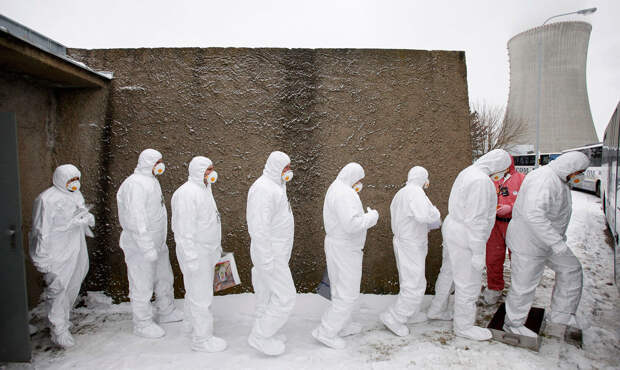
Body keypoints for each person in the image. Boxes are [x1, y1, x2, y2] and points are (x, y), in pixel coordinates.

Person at [426, 149, 511, 341]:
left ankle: (437, 309)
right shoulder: (481, 181)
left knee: (448, 272)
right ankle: (463, 327)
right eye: (504, 170)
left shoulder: (467, 172)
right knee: (468, 282)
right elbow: (477, 220)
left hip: (453, 227)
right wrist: (478, 251)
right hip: (466, 235)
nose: (503, 175)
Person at [503, 151, 589, 337]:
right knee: (524, 284)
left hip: (548, 241)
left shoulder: (559, 180)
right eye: (580, 171)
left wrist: (556, 241)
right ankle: (513, 323)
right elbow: (533, 214)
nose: (581, 176)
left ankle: (562, 314)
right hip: (528, 242)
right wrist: (556, 242)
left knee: (571, 269)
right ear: (571, 168)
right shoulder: (545, 179)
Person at [312, 163, 379, 349]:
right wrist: (372, 217)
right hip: (345, 248)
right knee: (347, 293)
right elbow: (351, 225)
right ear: (352, 176)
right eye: (359, 180)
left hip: (339, 246)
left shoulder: (337, 188)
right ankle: (326, 331)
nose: (360, 184)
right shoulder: (344, 194)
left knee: (339, 288)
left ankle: (341, 324)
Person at [117, 149, 182, 339]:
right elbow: (136, 218)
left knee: (164, 277)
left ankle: (166, 310)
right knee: (141, 283)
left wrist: (158, 243)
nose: (160, 165)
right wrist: (146, 246)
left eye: (161, 161)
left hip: (157, 243)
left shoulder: (151, 181)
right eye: (157, 161)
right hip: (140, 246)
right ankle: (142, 323)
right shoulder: (135, 184)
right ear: (147, 162)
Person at [29, 164, 94, 348]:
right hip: (57, 250)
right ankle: (59, 330)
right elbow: (41, 230)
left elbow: (80, 213)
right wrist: (42, 260)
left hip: (75, 247)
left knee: (72, 284)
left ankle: (62, 318)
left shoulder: (74, 195)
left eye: (76, 180)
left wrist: (86, 219)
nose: (74, 184)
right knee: (58, 288)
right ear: (60, 179)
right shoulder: (47, 200)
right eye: (70, 180)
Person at [171, 156, 227, 352]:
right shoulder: (187, 194)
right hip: (196, 251)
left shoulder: (204, 189)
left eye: (212, 169)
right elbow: (183, 231)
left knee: (194, 292)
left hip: (207, 250)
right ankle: (202, 339)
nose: (211, 173)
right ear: (196, 171)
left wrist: (216, 247)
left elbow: (209, 221)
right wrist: (192, 257)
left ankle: (190, 326)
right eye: (207, 170)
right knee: (201, 296)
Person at [380, 166, 441, 336]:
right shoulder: (415, 192)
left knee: (408, 280)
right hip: (411, 243)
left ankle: (410, 313)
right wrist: (435, 214)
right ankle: (396, 317)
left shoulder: (402, 193)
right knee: (414, 283)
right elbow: (424, 216)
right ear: (423, 178)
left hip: (406, 241)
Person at [246, 151, 296, 356]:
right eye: (285, 167)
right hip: (270, 253)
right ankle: (260, 335)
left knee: (267, 293)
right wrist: (266, 258)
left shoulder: (276, 186)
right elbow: (259, 228)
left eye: (289, 167)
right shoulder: (264, 189)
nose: (289, 171)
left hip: (275, 252)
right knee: (286, 297)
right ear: (276, 167)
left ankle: (267, 330)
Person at [482, 155, 525, 305]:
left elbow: (528, 203)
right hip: (495, 225)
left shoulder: (522, 179)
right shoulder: (492, 179)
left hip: (515, 224)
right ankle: (494, 288)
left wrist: (511, 208)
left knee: (519, 259)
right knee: (493, 258)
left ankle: (519, 291)